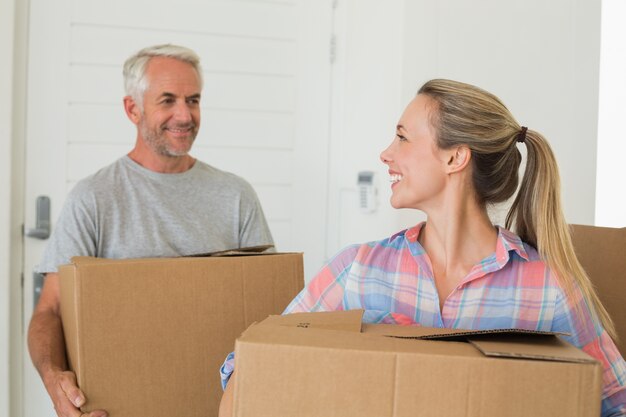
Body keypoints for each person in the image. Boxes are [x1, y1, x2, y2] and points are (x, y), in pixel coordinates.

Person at [219, 79, 626, 416]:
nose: (386, 153)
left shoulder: (547, 290)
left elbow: (615, 403)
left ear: (455, 158)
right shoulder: (358, 270)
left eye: (402, 138)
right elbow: (252, 366)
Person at [28, 44, 274, 417]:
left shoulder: (235, 195)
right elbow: (50, 309)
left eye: (193, 100)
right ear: (133, 109)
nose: (185, 115)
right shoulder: (93, 198)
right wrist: (53, 380)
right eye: (168, 100)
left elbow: (267, 308)